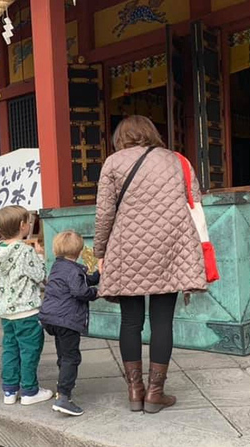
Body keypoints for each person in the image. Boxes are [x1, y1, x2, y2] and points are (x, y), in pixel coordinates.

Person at [93, 115, 207, 414]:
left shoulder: (113, 163)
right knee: (162, 321)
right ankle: (156, 393)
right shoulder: (176, 160)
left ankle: (134, 391)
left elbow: (104, 213)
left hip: (127, 248)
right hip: (169, 247)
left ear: (121, 137)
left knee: (130, 322)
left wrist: (100, 251)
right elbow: (194, 202)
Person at [0, 206, 51, 406]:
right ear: (23, 226)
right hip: (27, 310)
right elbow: (40, 276)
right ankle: (29, 390)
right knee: (29, 350)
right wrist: (41, 256)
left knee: (10, 349)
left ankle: (9, 390)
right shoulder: (25, 251)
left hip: (6, 312)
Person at [39, 230, 100, 416]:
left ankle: (62, 384)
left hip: (50, 318)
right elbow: (79, 291)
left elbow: (82, 280)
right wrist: (97, 292)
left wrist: (97, 275)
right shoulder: (74, 270)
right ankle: (64, 397)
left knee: (63, 354)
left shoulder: (58, 267)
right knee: (72, 357)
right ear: (80, 251)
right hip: (67, 320)